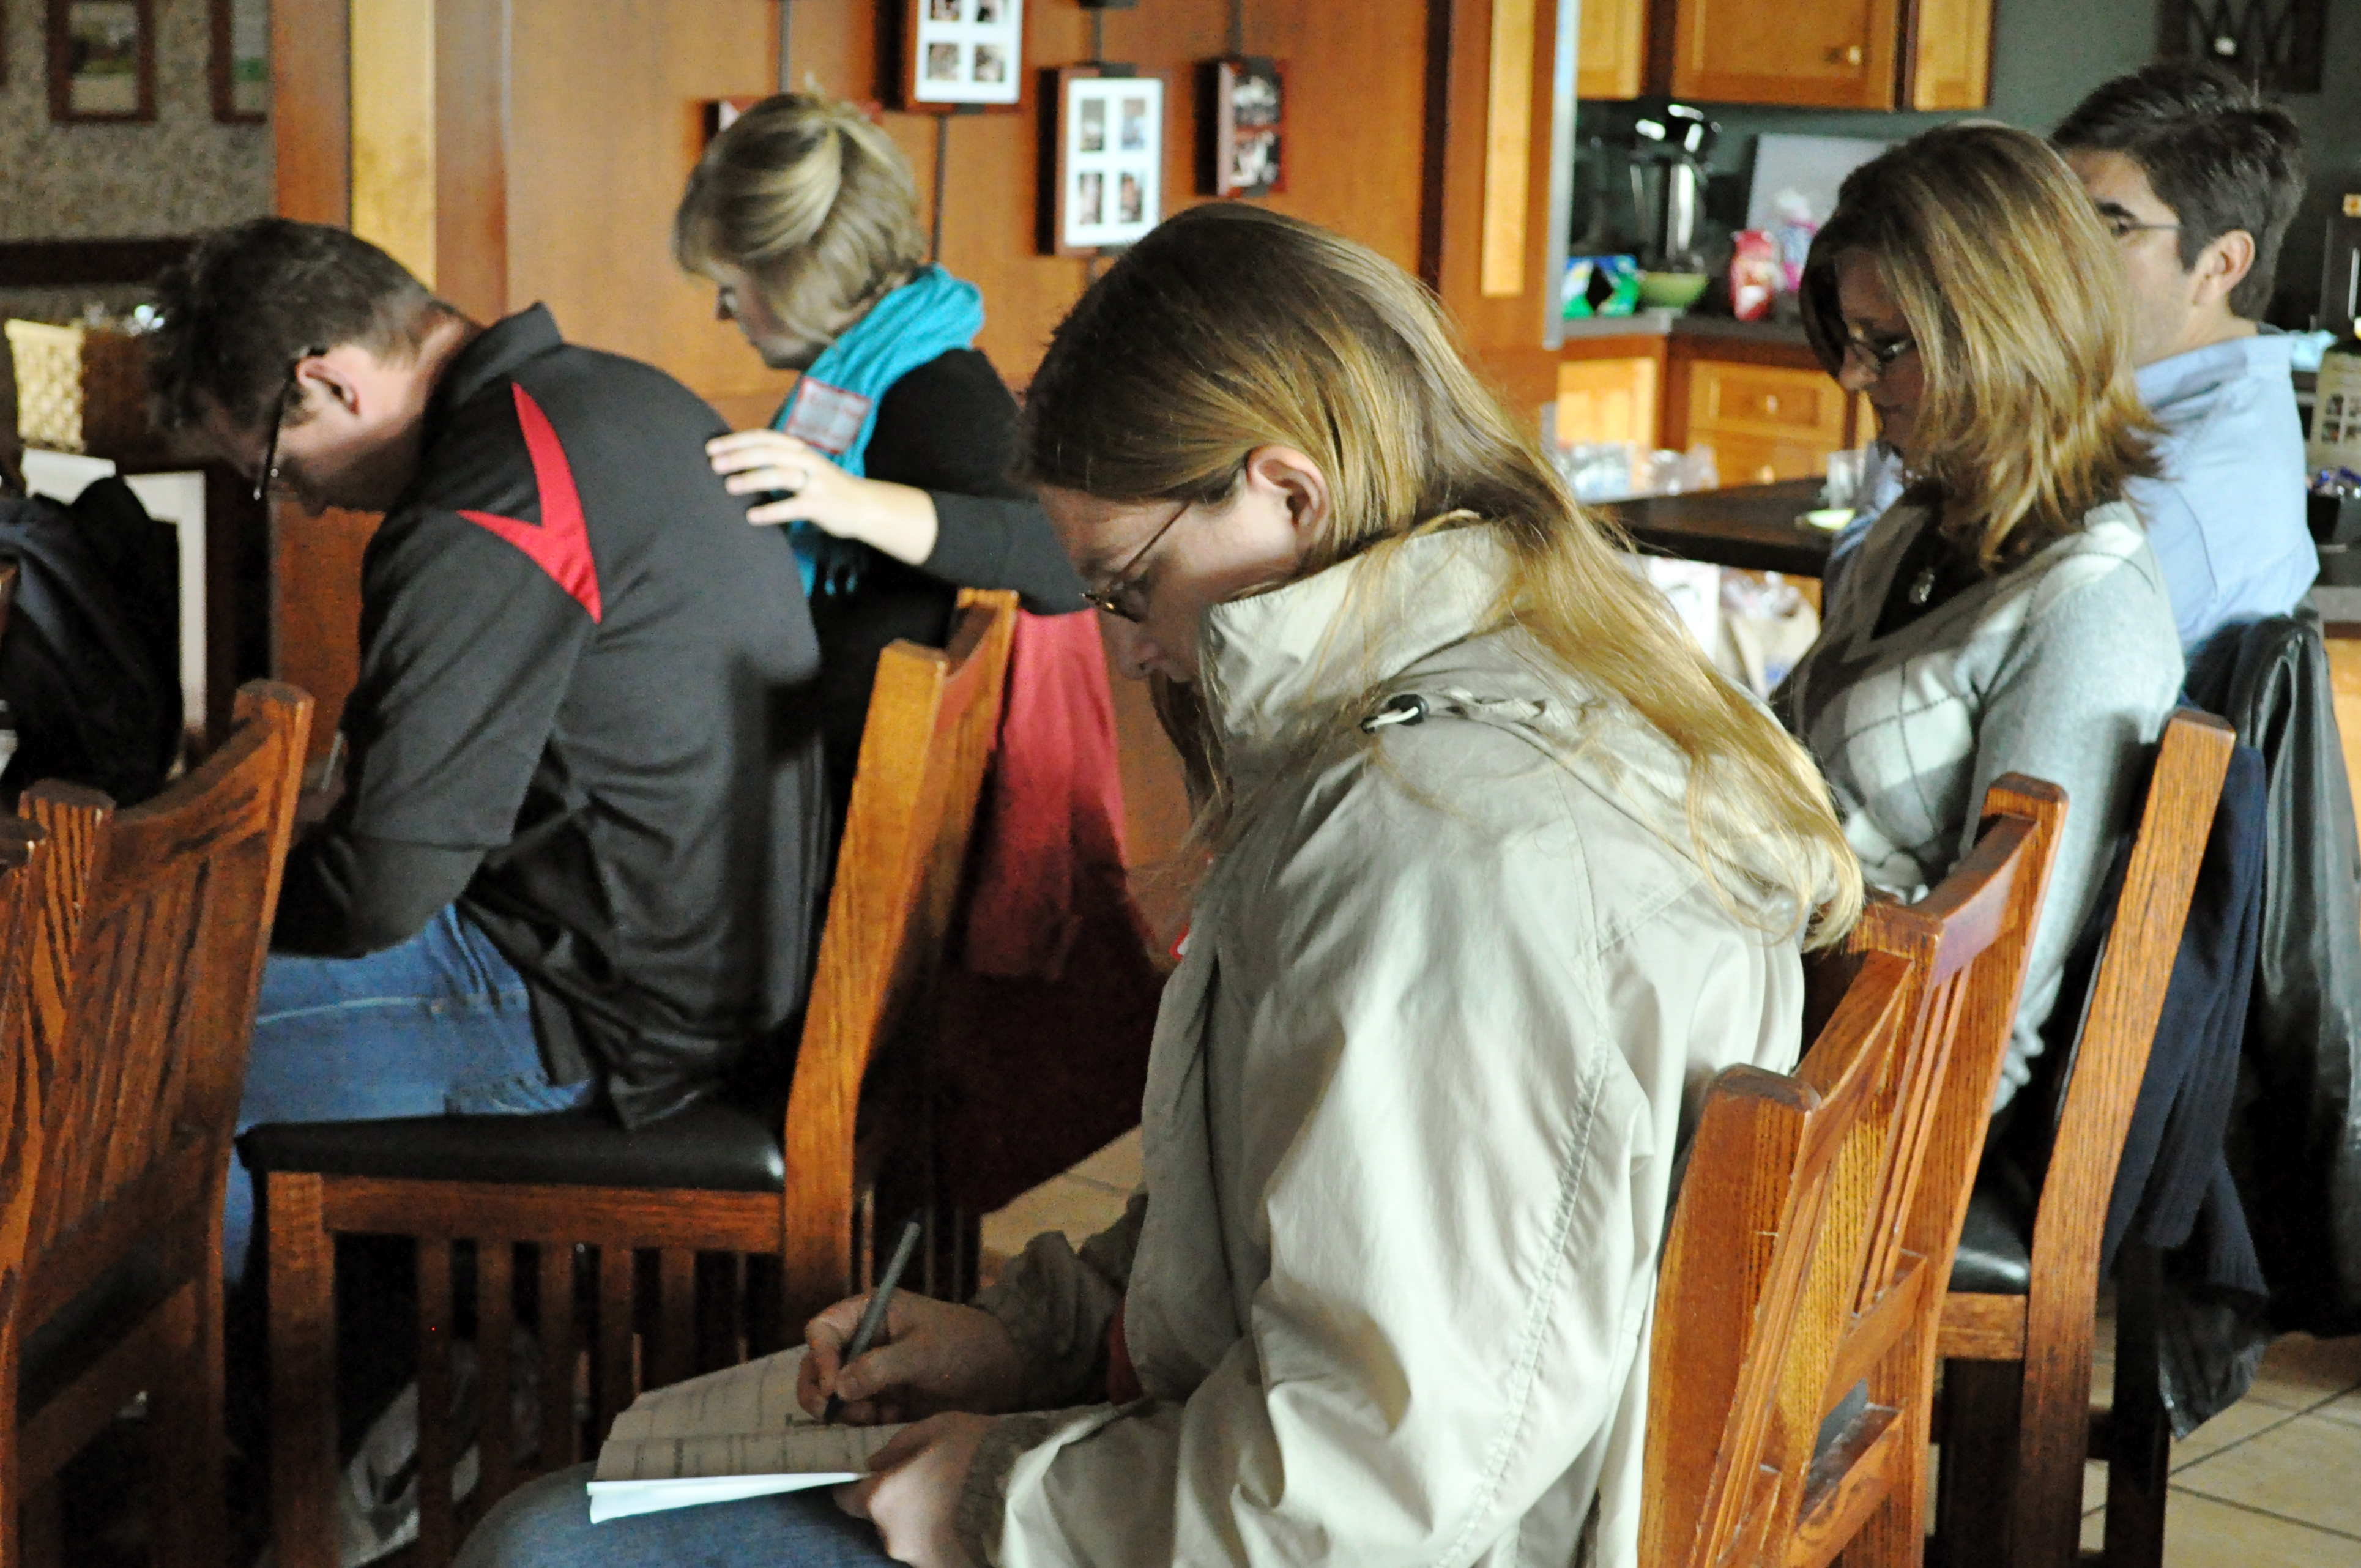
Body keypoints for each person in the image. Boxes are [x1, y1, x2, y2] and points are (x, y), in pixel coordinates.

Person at [461, 204, 1862, 1568]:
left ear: (1287, 492)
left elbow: (1370, 1488)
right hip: (1404, 1488)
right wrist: (1037, 1337)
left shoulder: (1441, 843)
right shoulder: (1541, 689)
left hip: (1407, 1529)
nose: (1130, 654)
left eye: (1129, 586)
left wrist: (993, 1501)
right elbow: (1315, 1205)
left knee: (543, 1540)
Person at [146, 220, 831, 1281]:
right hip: (710, 963)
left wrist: (185, 899)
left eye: (276, 470)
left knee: (122, 1039)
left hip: (604, 1012)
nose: (309, 504)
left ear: (327, 380)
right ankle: (335, 1391)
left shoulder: (482, 503)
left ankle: (235, 1425)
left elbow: (382, 891)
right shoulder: (612, 395)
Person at [1779, 124, 2187, 1112]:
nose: (1852, 378)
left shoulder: (2085, 610)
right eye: (1849, 339)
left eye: (1888, 347)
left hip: (1857, 1091)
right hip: (1770, 1001)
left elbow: (1984, 1000)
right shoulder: (1909, 531)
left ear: (2008, 333)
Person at [677, 92, 1087, 812]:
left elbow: (1062, 559)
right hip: (813, 774)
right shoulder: (876, 369)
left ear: (794, 276)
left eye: (731, 289)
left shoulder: (937, 387)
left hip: (832, 803)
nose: (722, 313)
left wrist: (853, 501)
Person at [2051, 61, 2313, 658]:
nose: (2059, 258)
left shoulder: (2170, 485)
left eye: (2108, 226)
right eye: (2055, 221)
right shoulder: (2186, 405)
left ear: (2219, 265)